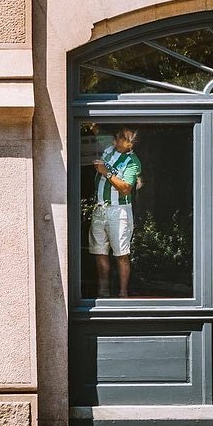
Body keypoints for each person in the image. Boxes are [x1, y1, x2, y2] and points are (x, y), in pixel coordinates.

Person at [90, 127, 142, 298]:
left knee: (121, 253)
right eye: (117, 134)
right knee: (99, 250)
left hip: (119, 211)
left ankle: (122, 294)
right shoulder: (109, 149)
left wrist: (106, 172)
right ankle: (103, 292)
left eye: (122, 137)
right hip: (100, 208)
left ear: (130, 144)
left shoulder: (133, 161)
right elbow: (94, 128)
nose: (117, 137)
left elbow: (126, 188)